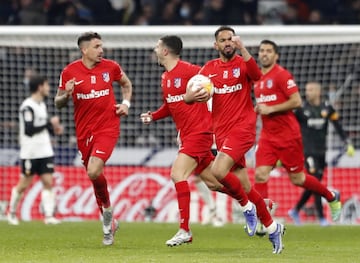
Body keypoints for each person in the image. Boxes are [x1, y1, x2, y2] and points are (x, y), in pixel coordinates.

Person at [140, 35, 258, 248]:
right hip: (186, 134)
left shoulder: (192, 71)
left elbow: (215, 84)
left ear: (166, 51)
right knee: (214, 183)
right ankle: (255, 203)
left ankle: (185, 229)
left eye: (158, 46)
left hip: (200, 132)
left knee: (178, 174)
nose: (155, 49)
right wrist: (154, 116)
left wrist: (214, 99)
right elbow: (171, 105)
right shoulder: (166, 77)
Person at [189, 26, 285, 254]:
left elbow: (258, 75)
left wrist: (244, 48)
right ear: (216, 45)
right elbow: (192, 98)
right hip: (220, 133)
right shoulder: (208, 70)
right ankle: (273, 227)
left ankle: (246, 207)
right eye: (223, 40)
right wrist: (191, 96)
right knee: (243, 186)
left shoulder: (243, 63)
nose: (227, 43)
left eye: (231, 39)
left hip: (242, 130)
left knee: (219, 172)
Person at [253, 40, 342, 229]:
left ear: (276, 56)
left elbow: (296, 101)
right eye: (262, 51)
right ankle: (264, 219)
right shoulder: (257, 79)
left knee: (298, 179)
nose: (265, 54)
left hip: (288, 137)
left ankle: (331, 196)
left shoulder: (282, 75)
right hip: (268, 136)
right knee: (260, 174)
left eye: (269, 51)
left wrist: (271, 109)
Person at [54, 31, 133, 246]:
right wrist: (65, 95)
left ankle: (107, 216)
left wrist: (126, 104)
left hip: (108, 127)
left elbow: (126, 84)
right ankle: (108, 218)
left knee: (93, 170)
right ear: (84, 50)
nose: (101, 50)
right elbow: (58, 102)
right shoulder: (69, 71)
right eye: (97, 46)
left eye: (101, 46)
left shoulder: (111, 67)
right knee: (94, 175)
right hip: (84, 133)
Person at [288, 81, 355, 226]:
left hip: (321, 152)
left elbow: (338, 126)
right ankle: (322, 218)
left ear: (318, 92)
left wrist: (347, 142)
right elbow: (290, 126)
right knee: (316, 181)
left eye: (311, 90)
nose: (308, 92)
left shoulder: (327, 107)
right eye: (306, 90)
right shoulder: (300, 109)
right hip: (307, 151)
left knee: (314, 184)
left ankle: (295, 210)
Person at [7, 75, 63, 225]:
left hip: (45, 151)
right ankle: (11, 213)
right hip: (30, 152)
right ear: (40, 87)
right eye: (46, 85)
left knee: (48, 182)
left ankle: (49, 216)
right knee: (24, 184)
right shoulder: (27, 106)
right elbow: (29, 130)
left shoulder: (42, 105)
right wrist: (48, 123)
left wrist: (54, 129)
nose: (48, 88)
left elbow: (43, 128)